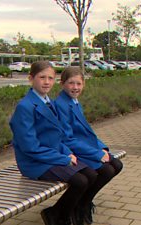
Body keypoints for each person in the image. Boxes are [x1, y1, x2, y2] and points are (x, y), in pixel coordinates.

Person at [9, 61, 97, 225]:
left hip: (51, 155)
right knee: (80, 181)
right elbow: (30, 147)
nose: (47, 82)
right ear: (31, 79)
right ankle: (58, 216)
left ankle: (63, 211)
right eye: (42, 77)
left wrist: (66, 152)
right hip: (34, 162)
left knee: (91, 174)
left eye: (50, 78)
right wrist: (62, 159)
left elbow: (58, 136)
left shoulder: (48, 102)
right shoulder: (25, 107)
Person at [55, 66, 123, 225]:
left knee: (117, 165)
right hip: (73, 150)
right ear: (62, 83)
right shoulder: (61, 104)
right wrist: (96, 154)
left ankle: (83, 202)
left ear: (84, 84)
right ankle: (80, 204)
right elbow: (67, 139)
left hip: (84, 147)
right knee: (106, 170)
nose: (75, 87)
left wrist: (102, 148)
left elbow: (87, 132)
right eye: (71, 83)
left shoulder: (73, 102)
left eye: (79, 83)